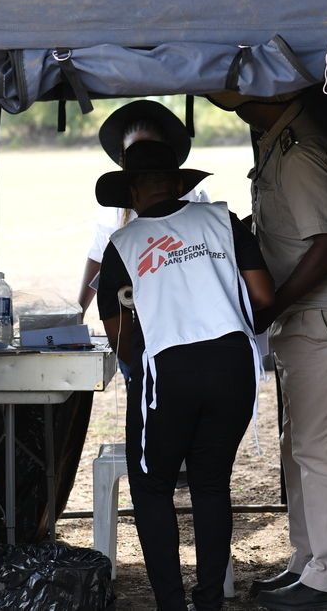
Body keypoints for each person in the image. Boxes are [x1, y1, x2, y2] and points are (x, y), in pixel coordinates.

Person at [96, 139, 274, 611]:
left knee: (153, 489)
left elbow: (120, 337)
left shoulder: (123, 244)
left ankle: (172, 605)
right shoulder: (222, 220)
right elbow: (262, 298)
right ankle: (210, 600)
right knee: (211, 483)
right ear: (179, 184)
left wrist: (143, 369)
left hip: (168, 372)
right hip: (233, 364)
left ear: (131, 192)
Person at [207, 88, 327, 611]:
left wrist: (275, 306)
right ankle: (308, 561)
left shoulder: (299, 149)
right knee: (300, 449)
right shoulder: (280, 141)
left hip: (321, 314)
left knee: (322, 450)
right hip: (304, 316)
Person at [78, 99, 209, 317]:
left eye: (151, 152)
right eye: (136, 154)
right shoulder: (116, 209)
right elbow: (98, 258)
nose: (145, 165)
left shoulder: (193, 199)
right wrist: (79, 310)